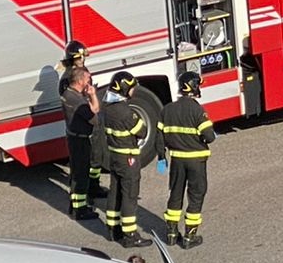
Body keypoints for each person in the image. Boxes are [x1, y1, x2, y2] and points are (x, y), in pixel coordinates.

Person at [158, 70, 215, 249]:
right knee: (196, 195)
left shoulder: (167, 109)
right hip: (196, 161)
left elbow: (159, 137)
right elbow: (209, 136)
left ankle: (172, 233)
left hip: (176, 161)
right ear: (194, 87)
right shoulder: (197, 109)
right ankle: (190, 236)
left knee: (175, 194)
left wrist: (161, 157)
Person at [99, 72, 151, 244]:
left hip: (114, 156)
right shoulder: (126, 112)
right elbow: (142, 131)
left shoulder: (107, 108)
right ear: (124, 88)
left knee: (115, 192)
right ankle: (130, 235)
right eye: (131, 87)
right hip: (128, 158)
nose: (133, 90)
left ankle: (112, 229)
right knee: (129, 195)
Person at [59, 66, 102, 225]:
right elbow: (95, 117)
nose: (89, 81)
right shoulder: (79, 102)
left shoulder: (67, 94)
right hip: (81, 141)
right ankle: (80, 210)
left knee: (77, 172)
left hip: (73, 137)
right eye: (87, 79)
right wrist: (92, 96)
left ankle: (75, 206)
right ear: (80, 81)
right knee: (81, 175)